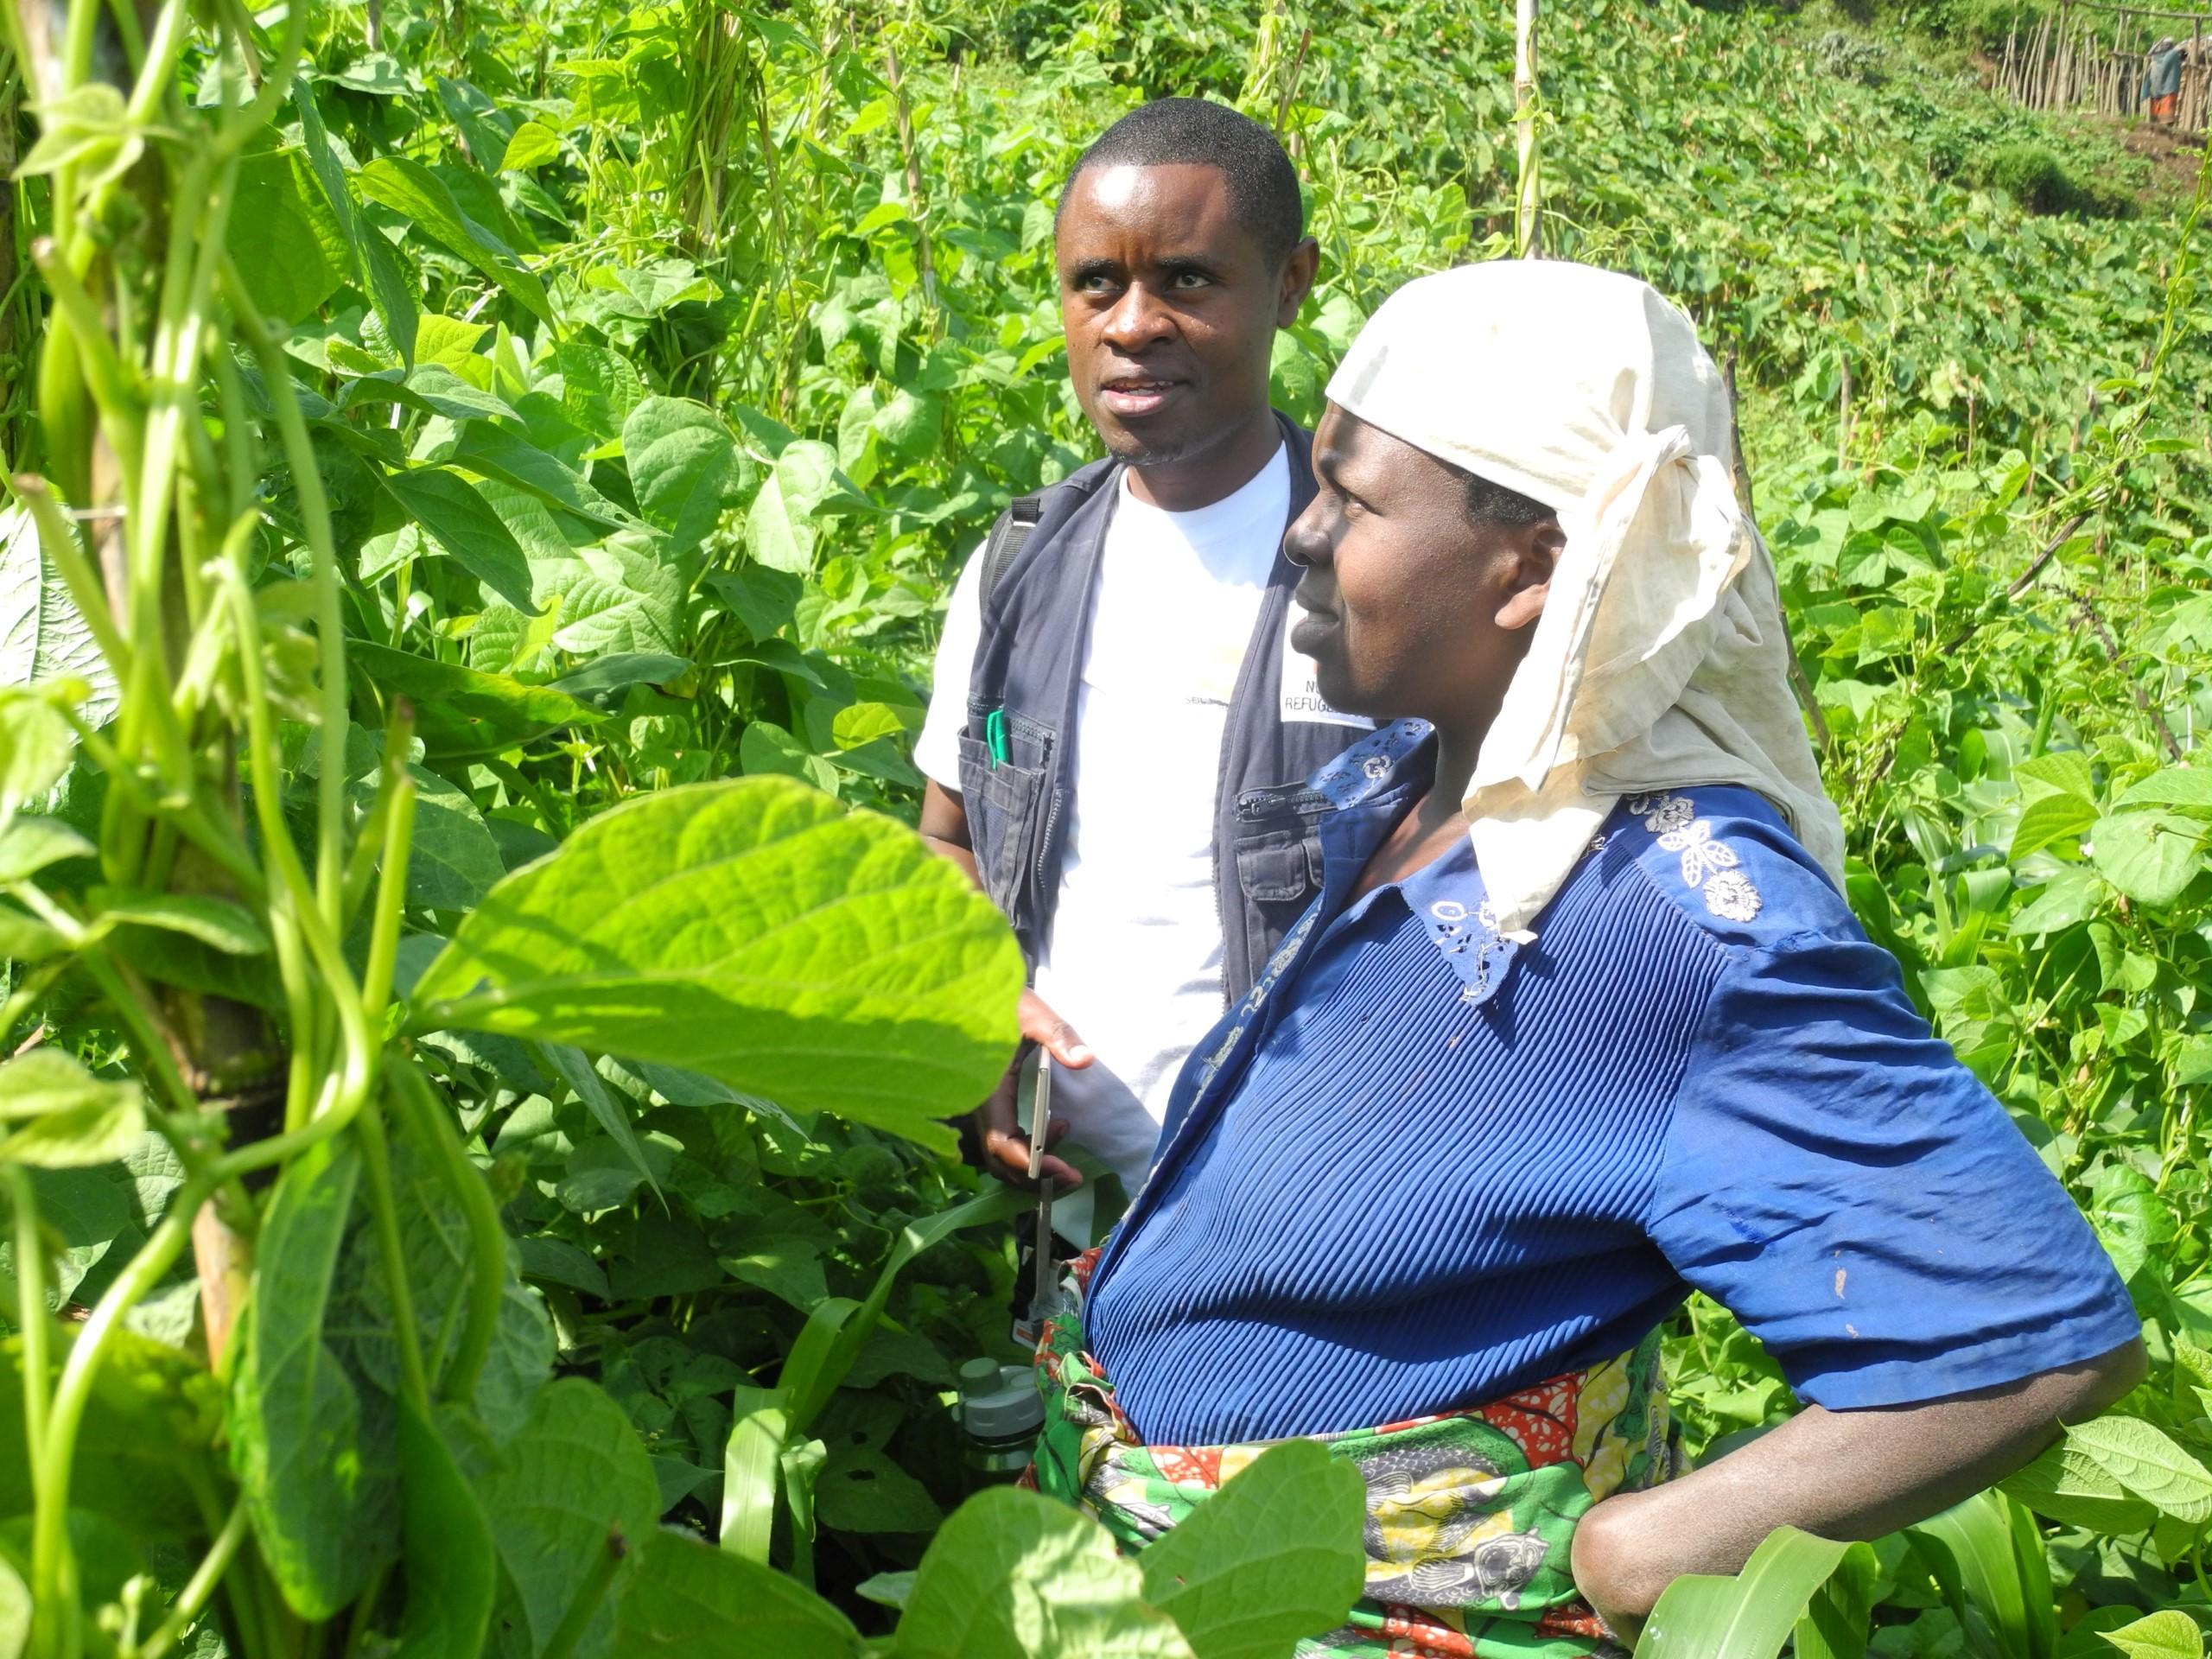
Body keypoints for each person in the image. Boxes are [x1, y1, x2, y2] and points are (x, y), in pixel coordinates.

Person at [1026, 261, 2146, 1656]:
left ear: (1538, 564)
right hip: (1170, 1570)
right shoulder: (1423, 790)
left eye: (1355, 499)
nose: (1301, 534)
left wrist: (1635, 1548)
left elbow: (2039, 1340)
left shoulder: (1671, 916)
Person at [914, 99, 1369, 1229]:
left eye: (1188, 280)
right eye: (1095, 284)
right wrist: (977, 1019)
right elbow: (947, 838)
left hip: (1323, 1222)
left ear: (1293, 280)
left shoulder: (1376, 575)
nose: (1132, 324)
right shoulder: (1022, 566)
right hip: (1073, 1220)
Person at [2147, 36, 2184, 124]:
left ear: (2171, 45)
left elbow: (2164, 62)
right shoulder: (2160, 55)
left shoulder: (2173, 54)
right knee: (2157, 107)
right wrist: (2158, 43)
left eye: (2167, 44)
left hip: (2169, 86)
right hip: (2157, 87)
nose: (2165, 46)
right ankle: (2158, 124)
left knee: (2167, 107)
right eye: (2163, 45)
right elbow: (2149, 54)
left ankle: (2167, 124)